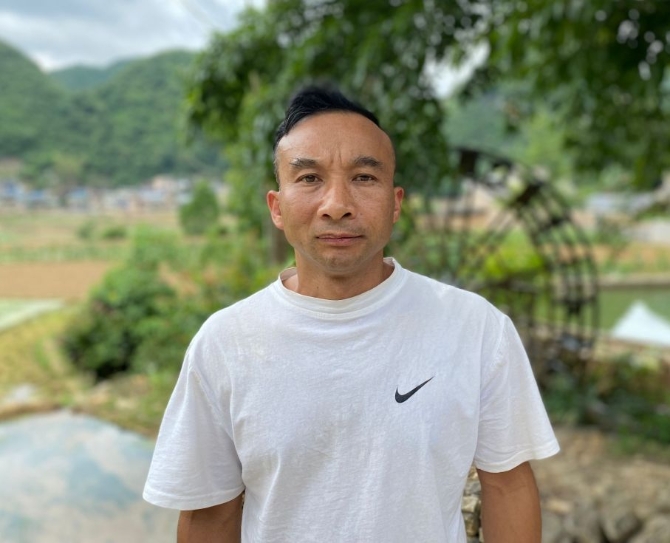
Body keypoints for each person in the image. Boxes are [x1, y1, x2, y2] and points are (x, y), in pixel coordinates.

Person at [143, 86, 560, 543]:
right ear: (276, 207)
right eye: (309, 178)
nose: (337, 205)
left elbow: (508, 486)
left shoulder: (476, 328)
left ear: (396, 203)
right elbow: (209, 513)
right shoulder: (226, 342)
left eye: (363, 177)